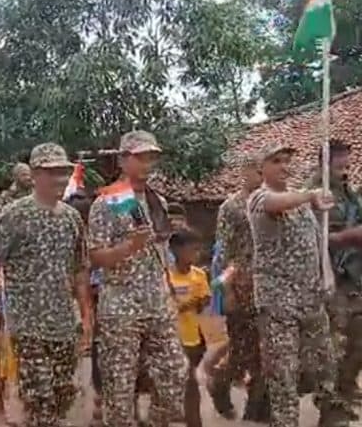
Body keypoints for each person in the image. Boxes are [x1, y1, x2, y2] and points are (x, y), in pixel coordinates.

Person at [0, 142, 92, 427]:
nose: (60, 178)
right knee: (40, 399)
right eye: (51, 172)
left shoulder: (71, 218)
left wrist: (86, 314)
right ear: (35, 174)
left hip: (64, 325)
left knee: (64, 393)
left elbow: (79, 268)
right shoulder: (14, 215)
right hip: (27, 326)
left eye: (63, 172)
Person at [88, 131, 186, 427]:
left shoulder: (158, 203)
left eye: (151, 157)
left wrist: (170, 289)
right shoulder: (110, 200)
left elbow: (161, 251)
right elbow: (95, 256)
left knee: (174, 375)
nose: (147, 163)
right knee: (120, 389)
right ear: (123, 160)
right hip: (121, 305)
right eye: (140, 157)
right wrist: (128, 247)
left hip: (157, 301)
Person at [247, 143, 349, 426]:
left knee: (326, 364)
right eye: (276, 161)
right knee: (283, 374)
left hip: (311, 298)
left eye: (287, 161)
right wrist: (311, 195)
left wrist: (326, 275)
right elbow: (274, 204)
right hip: (278, 304)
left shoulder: (303, 206)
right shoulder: (259, 198)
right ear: (261, 168)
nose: (284, 166)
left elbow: (317, 243)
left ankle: (331, 414)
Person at [208, 153, 270, 422]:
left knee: (266, 351)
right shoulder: (231, 207)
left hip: (269, 286)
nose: (258, 175)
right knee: (241, 350)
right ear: (244, 172)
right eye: (254, 169)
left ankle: (256, 409)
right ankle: (219, 383)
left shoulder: (272, 203)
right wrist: (227, 291)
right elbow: (223, 251)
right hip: (242, 287)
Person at [307, 139, 362, 411]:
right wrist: (346, 236)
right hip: (328, 275)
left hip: (353, 275)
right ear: (325, 162)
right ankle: (330, 400)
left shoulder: (349, 194)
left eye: (348, 160)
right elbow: (310, 236)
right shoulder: (316, 193)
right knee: (335, 341)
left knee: (358, 337)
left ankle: (346, 387)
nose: (346, 165)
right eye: (340, 159)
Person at [169, 228, 211, 427]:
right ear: (176, 250)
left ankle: (194, 421)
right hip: (170, 339)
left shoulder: (199, 275)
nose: (196, 255)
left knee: (191, 385)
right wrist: (188, 304)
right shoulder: (166, 276)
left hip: (192, 338)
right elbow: (166, 306)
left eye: (198, 251)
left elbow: (204, 305)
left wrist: (202, 301)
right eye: (192, 250)